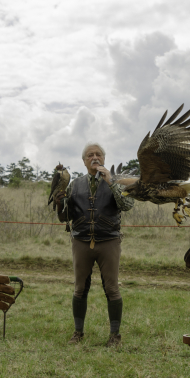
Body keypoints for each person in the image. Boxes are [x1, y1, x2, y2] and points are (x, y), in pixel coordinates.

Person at [54, 143, 134, 347]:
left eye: (98, 154)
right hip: (80, 241)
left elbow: (127, 205)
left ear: (104, 159)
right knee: (80, 288)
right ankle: (78, 332)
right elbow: (66, 217)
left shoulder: (116, 181)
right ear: (84, 161)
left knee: (112, 288)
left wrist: (111, 182)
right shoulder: (75, 184)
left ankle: (115, 336)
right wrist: (59, 203)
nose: (95, 158)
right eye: (90, 155)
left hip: (109, 241)